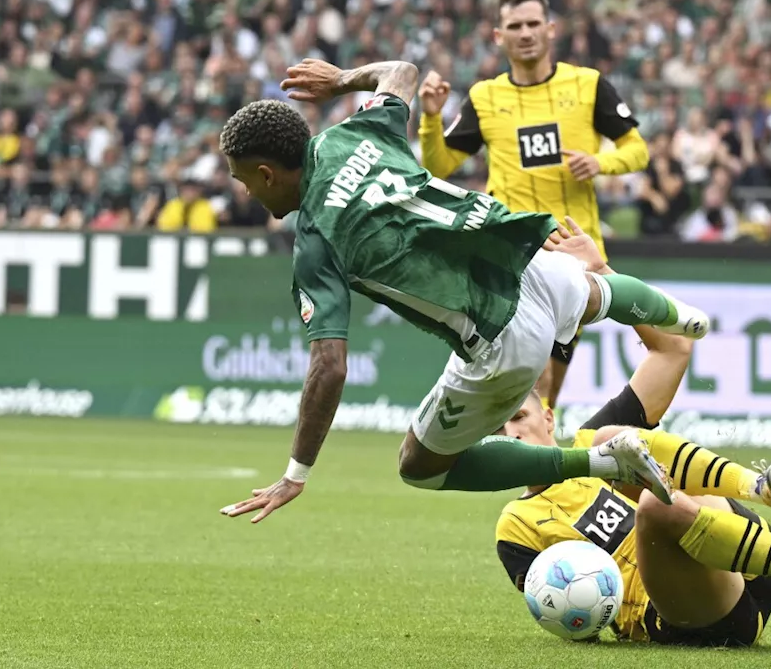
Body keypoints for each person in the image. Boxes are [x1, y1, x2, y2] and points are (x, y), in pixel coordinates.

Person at [216, 58, 708, 523]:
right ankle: (684, 317)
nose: (247, 194)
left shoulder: (316, 243)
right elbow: (401, 72)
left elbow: (330, 366)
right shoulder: (356, 131)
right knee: (596, 293)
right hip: (524, 256)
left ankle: (603, 463)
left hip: (499, 336)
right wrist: (343, 80)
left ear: (267, 173)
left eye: (244, 182)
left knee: (418, 465)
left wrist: (295, 473)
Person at [495, 220, 771, 647]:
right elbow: (568, 620)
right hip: (687, 613)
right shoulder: (516, 527)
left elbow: (674, 347)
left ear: (547, 417)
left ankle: (759, 487)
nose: (512, 431)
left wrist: (603, 273)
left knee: (610, 443)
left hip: (742, 549)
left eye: (519, 416)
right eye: (499, 427)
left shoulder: (589, 439)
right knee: (654, 505)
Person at [417, 0, 650, 411]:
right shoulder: (486, 98)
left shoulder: (587, 85)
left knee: (546, 394)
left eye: (532, 24)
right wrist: (431, 117)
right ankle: (526, 459)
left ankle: (537, 462)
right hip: (511, 253)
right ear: (497, 36)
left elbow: (638, 149)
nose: (525, 33)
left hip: (573, 251)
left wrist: (601, 163)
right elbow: (439, 165)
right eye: (514, 26)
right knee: (531, 382)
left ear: (551, 29)